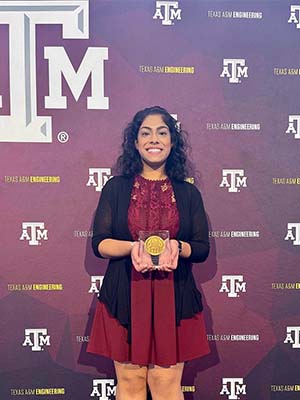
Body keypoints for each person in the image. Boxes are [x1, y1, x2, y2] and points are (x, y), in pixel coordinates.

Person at [87, 106, 210, 400]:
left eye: (162, 132)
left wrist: (178, 247)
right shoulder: (115, 188)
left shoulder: (188, 193)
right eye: (146, 133)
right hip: (124, 294)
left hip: (175, 295)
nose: (154, 139)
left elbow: (202, 249)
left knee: (166, 384)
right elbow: (99, 243)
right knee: (130, 383)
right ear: (135, 142)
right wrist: (133, 249)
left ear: (172, 142)